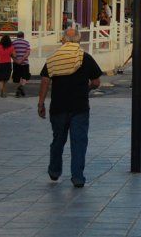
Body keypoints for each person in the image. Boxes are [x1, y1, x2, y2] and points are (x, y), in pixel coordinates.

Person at [37, 27, 103, 188]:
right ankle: (78, 177)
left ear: (64, 40)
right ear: (78, 40)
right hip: (79, 107)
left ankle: (54, 171)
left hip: (58, 107)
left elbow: (45, 81)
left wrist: (41, 103)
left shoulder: (53, 58)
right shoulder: (85, 58)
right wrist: (86, 89)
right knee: (79, 142)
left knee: (58, 140)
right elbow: (96, 82)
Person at [12, 32, 31, 98]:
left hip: (16, 63)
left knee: (17, 78)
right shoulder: (26, 42)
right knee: (25, 76)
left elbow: (11, 53)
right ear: (23, 36)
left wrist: (16, 61)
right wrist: (22, 60)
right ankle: (20, 87)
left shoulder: (13, 43)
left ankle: (19, 89)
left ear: (17, 36)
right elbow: (28, 53)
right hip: (25, 63)